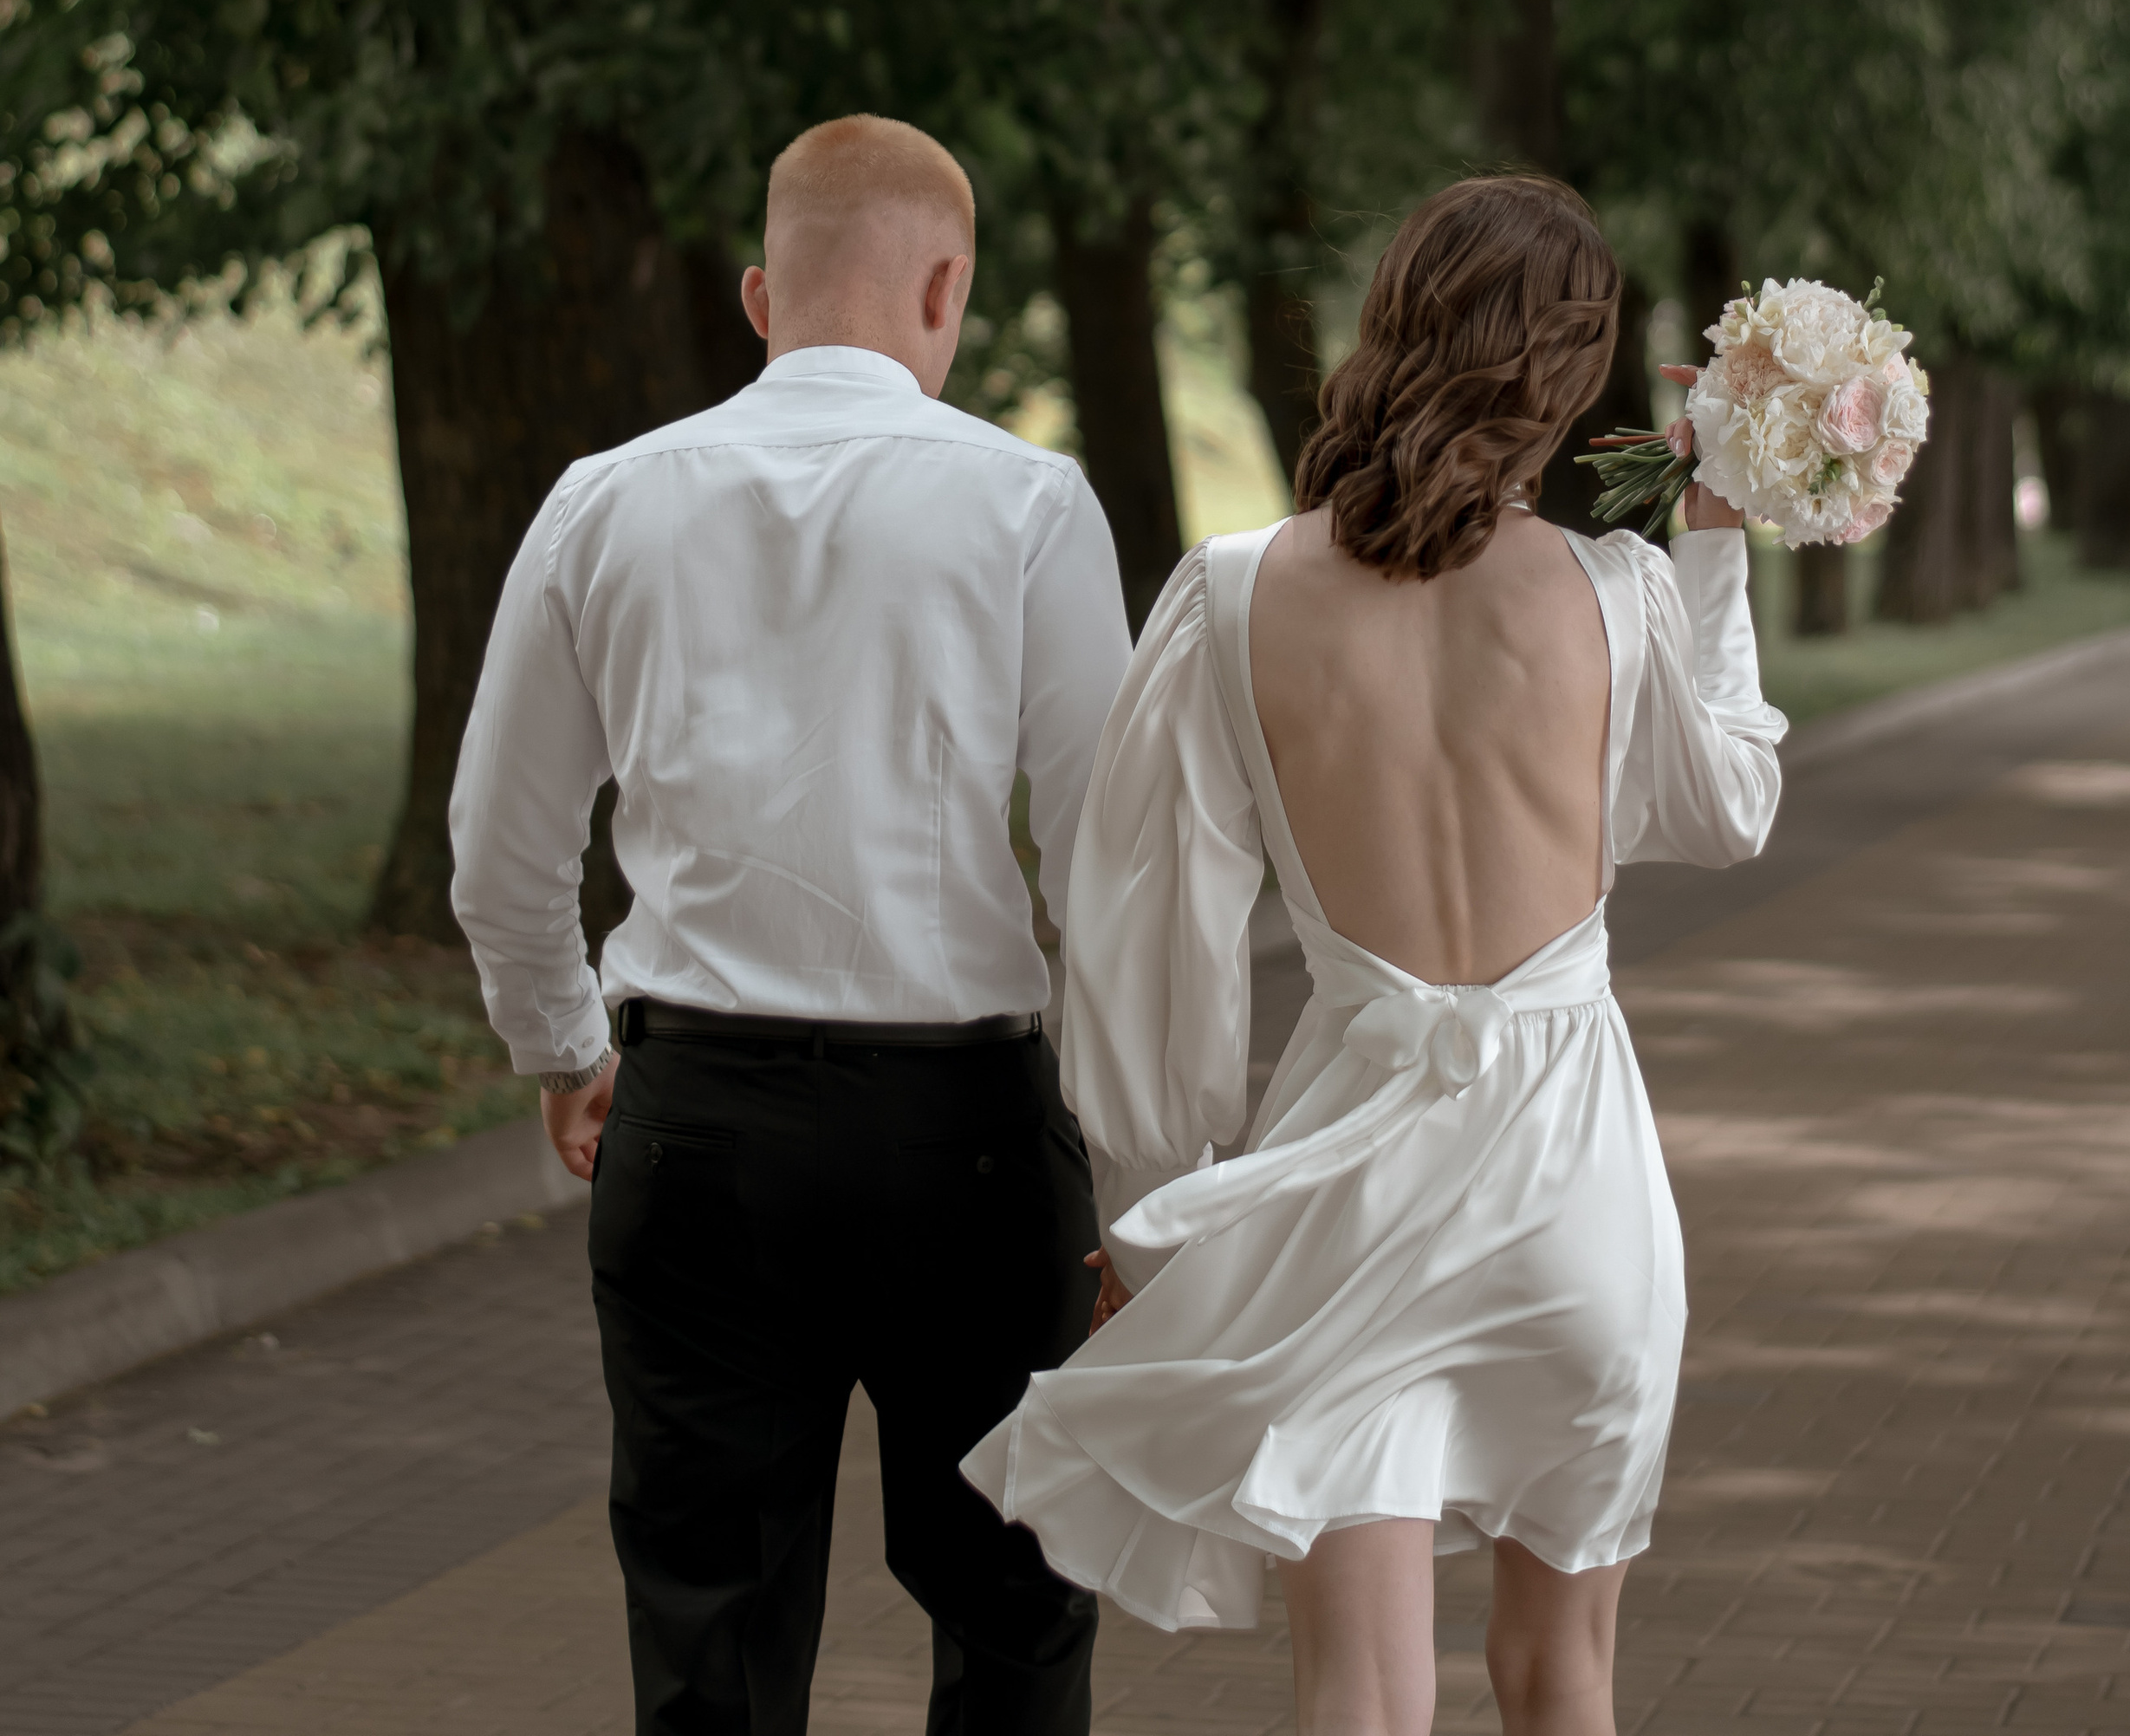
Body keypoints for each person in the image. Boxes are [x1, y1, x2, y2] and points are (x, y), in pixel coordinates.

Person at [962, 172, 1786, 1736]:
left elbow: (1145, 937)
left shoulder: (1228, 598)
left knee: (1359, 1695)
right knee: (1564, 1678)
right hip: (1578, 1186)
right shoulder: (1621, 590)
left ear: (1393, 322)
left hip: (1348, 1183)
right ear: (1570, 367)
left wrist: (1151, 1208)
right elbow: (1728, 807)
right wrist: (1721, 551)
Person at [449, 114, 1133, 1736]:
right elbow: (1115, 864)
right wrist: (1142, 1158)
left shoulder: (602, 502)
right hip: (966, 1141)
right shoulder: (1032, 507)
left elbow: (500, 843)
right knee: (1016, 1615)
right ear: (946, 284)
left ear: (763, 295)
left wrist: (560, 1043)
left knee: (710, 1632)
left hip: (695, 1126)